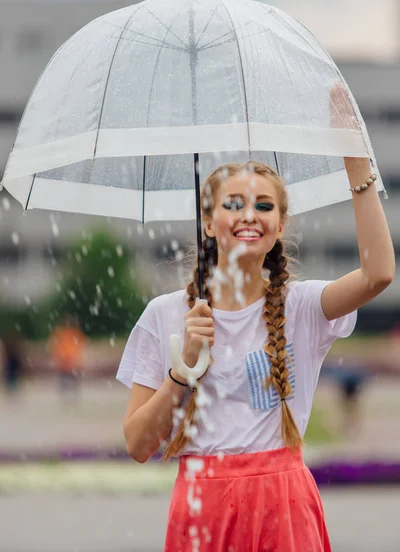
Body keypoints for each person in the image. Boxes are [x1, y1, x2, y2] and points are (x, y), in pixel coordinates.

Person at [116, 89, 395, 551]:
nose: (250, 215)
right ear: (208, 223)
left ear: (280, 226)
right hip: (202, 510)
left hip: (284, 509)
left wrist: (356, 161)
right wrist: (182, 370)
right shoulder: (165, 315)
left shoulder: (301, 306)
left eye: (264, 206)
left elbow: (378, 273)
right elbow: (138, 445)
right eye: (234, 204)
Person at [49, 315, 86, 404]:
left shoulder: (72, 333)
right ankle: (68, 398)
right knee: (66, 381)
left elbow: (79, 348)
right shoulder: (63, 333)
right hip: (66, 362)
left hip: (70, 362)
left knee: (70, 381)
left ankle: (71, 398)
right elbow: (56, 347)